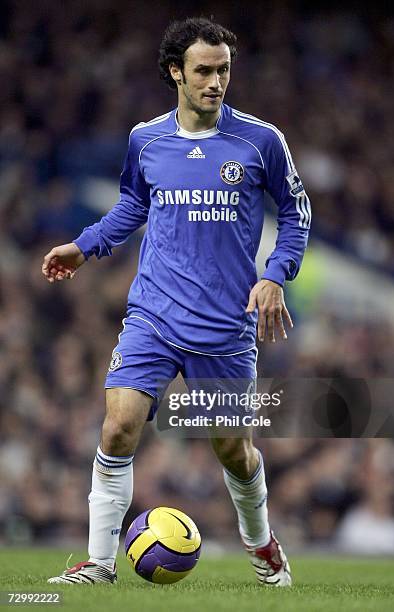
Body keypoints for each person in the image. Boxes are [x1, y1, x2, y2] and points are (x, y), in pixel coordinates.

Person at [43, 16, 310, 587]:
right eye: (204, 71)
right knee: (118, 427)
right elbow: (131, 207)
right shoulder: (147, 139)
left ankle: (262, 547)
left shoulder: (261, 141)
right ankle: (97, 564)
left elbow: (296, 213)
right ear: (176, 73)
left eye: (224, 71)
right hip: (154, 314)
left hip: (226, 328)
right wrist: (84, 247)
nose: (216, 82)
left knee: (234, 453)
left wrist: (276, 275)